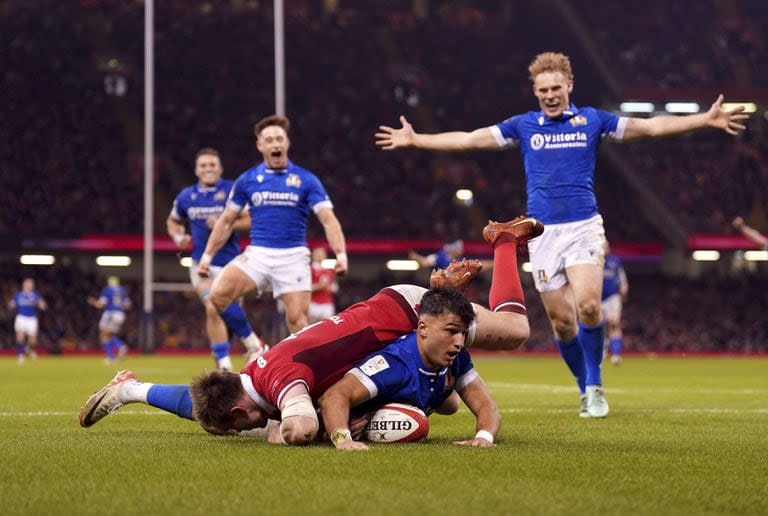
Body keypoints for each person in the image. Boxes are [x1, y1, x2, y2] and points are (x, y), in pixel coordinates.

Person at [375, 51, 748, 418]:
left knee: (587, 304)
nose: (550, 95)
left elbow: (648, 127)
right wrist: (417, 139)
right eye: (543, 90)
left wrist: (704, 119)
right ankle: (583, 385)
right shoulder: (524, 125)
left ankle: (595, 385)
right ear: (535, 92)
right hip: (540, 234)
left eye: (556, 87)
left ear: (569, 85)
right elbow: (471, 139)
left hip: (583, 225)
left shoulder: (591, 120)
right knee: (562, 321)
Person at [79, 217, 542, 446]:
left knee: (517, 330)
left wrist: (288, 430)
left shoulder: (279, 381)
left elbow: (300, 428)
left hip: (405, 314)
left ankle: (502, 243)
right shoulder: (243, 380)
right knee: (444, 403)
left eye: (238, 429)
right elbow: (194, 401)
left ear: (242, 410)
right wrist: (134, 392)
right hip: (389, 320)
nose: (245, 433)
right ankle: (126, 390)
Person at [198, 115, 348, 335]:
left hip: (293, 257)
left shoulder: (306, 180)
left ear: (287, 143)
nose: (275, 144)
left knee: (298, 323)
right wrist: (207, 257)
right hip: (258, 254)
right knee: (217, 296)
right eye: (269, 140)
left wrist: (340, 254)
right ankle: (253, 345)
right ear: (260, 145)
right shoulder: (247, 180)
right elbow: (226, 221)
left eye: (279, 138)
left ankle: (301, 369)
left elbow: (328, 218)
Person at [318, 288, 500, 451]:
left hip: (427, 388)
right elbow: (333, 396)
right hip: (343, 416)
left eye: (464, 333)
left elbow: (487, 406)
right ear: (423, 328)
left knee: (451, 405)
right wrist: (342, 438)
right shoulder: (394, 363)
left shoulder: (458, 358)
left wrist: (484, 437)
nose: (459, 342)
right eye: (451, 331)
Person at [167, 147, 266, 370]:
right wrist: (177, 236)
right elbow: (172, 221)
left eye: (212, 164)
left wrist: (226, 223)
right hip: (200, 264)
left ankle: (239, 350)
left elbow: (252, 220)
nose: (208, 169)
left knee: (224, 313)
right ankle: (230, 360)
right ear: (196, 170)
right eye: (203, 165)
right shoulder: (186, 197)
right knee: (212, 304)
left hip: (233, 266)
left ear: (220, 168)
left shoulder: (233, 190)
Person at [87, 276, 131, 363]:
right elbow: (128, 305)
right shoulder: (123, 290)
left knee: (103, 334)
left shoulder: (107, 290)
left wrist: (92, 301)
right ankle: (120, 347)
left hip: (111, 313)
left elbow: (100, 304)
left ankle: (112, 356)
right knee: (109, 334)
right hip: (120, 314)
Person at [601, 242, 628, 365]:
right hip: (597, 298)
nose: (605, 248)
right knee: (599, 326)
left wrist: (623, 289)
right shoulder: (594, 261)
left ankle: (616, 354)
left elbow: (621, 278)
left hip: (612, 297)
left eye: (606, 245)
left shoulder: (615, 261)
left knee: (614, 323)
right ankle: (603, 348)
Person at [8, 278, 47, 363]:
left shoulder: (36, 295)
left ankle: (29, 349)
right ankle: (20, 355)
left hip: (32, 318)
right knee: (20, 337)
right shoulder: (18, 295)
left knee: (33, 341)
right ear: (24, 284)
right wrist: (11, 305)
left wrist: (42, 305)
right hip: (21, 317)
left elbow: (42, 304)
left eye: (31, 284)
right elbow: (12, 304)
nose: (30, 285)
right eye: (28, 283)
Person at [308, 247, 338, 324]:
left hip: (327, 304)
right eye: (318, 254)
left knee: (327, 327)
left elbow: (335, 288)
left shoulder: (329, 270)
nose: (320, 256)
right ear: (313, 255)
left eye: (322, 254)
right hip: (313, 304)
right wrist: (319, 286)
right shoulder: (309, 270)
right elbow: (305, 288)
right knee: (310, 329)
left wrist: (327, 287)